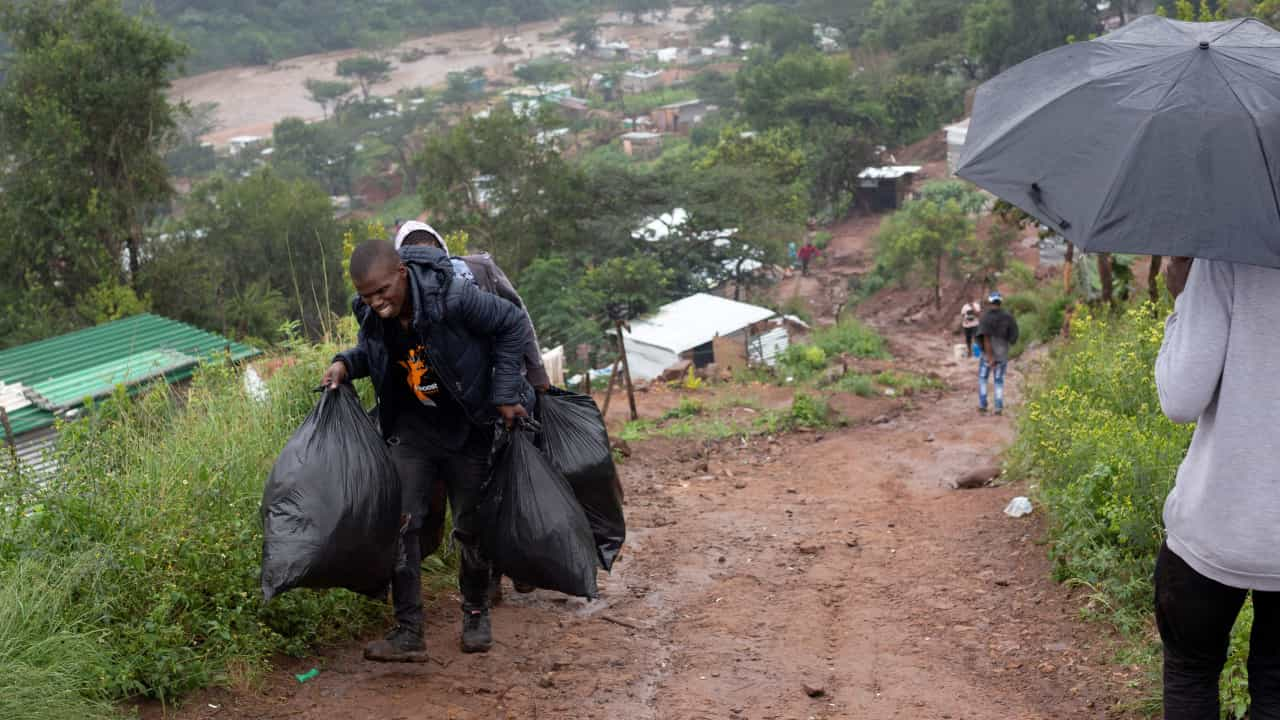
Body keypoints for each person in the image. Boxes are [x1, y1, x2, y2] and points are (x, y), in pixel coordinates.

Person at [323, 239, 535, 663]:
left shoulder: (452, 296)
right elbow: (373, 352)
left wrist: (507, 392)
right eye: (367, 295)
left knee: (470, 527)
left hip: (468, 425)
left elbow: (511, 323)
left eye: (382, 291)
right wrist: (345, 363)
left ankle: (476, 616)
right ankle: (408, 630)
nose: (377, 302)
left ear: (401, 273)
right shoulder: (368, 310)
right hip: (413, 430)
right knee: (402, 523)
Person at [1154, 257, 1280, 719]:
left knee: (1191, 673)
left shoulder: (1229, 248)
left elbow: (1181, 399)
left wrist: (1183, 298)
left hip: (1216, 526)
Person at [394, 221, 545, 602]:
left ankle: (518, 563)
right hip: (457, 412)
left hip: (501, 399)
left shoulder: (475, 274)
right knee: (474, 500)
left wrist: (534, 377)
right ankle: (491, 580)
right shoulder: (403, 298)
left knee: (505, 486)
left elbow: (518, 318)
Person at [976, 291, 1018, 415]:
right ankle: (998, 407)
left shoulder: (985, 317)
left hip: (987, 356)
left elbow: (985, 338)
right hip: (1002, 354)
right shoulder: (1008, 317)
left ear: (990, 302)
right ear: (1000, 302)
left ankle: (983, 405)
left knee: (983, 378)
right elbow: (1014, 336)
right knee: (999, 381)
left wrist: (990, 358)